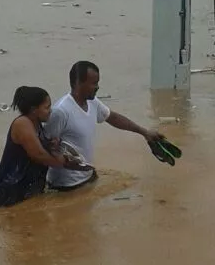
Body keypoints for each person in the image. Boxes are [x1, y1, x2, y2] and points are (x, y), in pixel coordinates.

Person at [45, 61, 164, 191]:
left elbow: (112, 118)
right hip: (66, 185)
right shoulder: (60, 111)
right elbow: (46, 146)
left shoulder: (92, 102)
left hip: (88, 175)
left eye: (97, 83)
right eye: (93, 83)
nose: (97, 87)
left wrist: (145, 133)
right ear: (78, 83)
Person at [0, 86, 80, 208]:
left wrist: (53, 145)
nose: (50, 110)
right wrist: (64, 162)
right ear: (33, 110)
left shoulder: (37, 125)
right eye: (47, 107)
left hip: (31, 189)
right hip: (12, 190)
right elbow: (38, 155)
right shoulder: (22, 123)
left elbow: (41, 148)